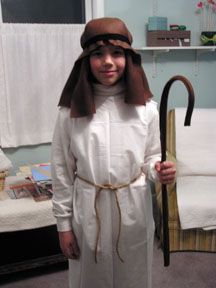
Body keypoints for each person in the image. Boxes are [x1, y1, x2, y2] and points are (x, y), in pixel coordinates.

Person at [51, 17, 176, 288]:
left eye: (116, 53)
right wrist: (64, 226)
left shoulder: (147, 110)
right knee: (90, 277)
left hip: (133, 211)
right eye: (98, 54)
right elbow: (62, 171)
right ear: (86, 60)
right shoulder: (68, 113)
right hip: (88, 211)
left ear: (128, 57)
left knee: (133, 275)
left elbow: (152, 156)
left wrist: (158, 169)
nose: (108, 61)